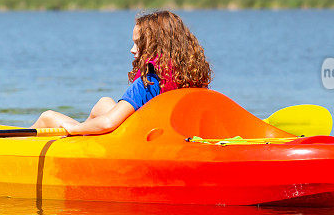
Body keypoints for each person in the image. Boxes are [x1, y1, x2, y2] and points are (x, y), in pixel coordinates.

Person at [32, 10, 212, 135]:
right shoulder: (191, 77)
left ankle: (72, 140)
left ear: (155, 47)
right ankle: (83, 134)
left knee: (48, 117)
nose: (132, 50)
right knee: (104, 103)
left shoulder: (148, 81)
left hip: (135, 142)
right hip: (160, 135)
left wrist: (72, 129)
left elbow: (109, 123)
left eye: (138, 44)